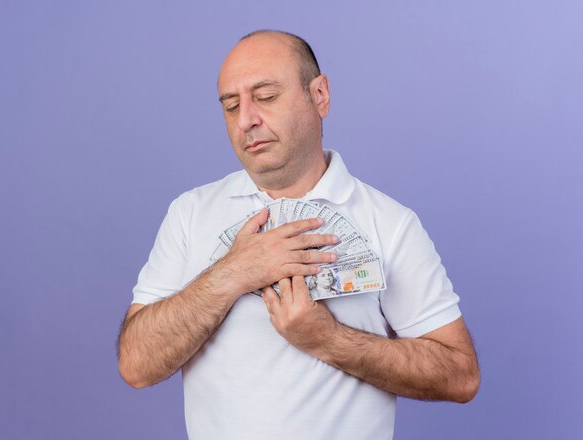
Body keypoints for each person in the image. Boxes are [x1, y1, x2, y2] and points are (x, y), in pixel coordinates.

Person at [118, 30, 480, 439]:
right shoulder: (190, 213)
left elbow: (459, 375)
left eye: (266, 96)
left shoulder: (391, 223)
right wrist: (233, 272)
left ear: (320, 96)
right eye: (231, 106)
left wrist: (329, 340)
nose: (246, 120)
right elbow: (136, 365)